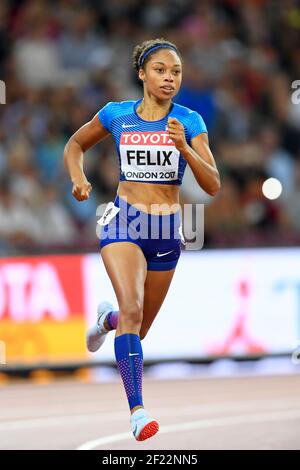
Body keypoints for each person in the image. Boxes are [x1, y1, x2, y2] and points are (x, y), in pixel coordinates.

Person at [64, 38, 220, 442]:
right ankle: (137, 413)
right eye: (161, 70)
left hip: (165, 230)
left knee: (135, 327)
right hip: (124, 222)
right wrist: (78, 179)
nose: (169, 78)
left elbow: (214, 184)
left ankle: (105, 321)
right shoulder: (116, 115)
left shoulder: (190, 120)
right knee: (132, 312)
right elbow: (76, 144)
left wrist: (183, 146)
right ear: (142, 74)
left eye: (176, 72)